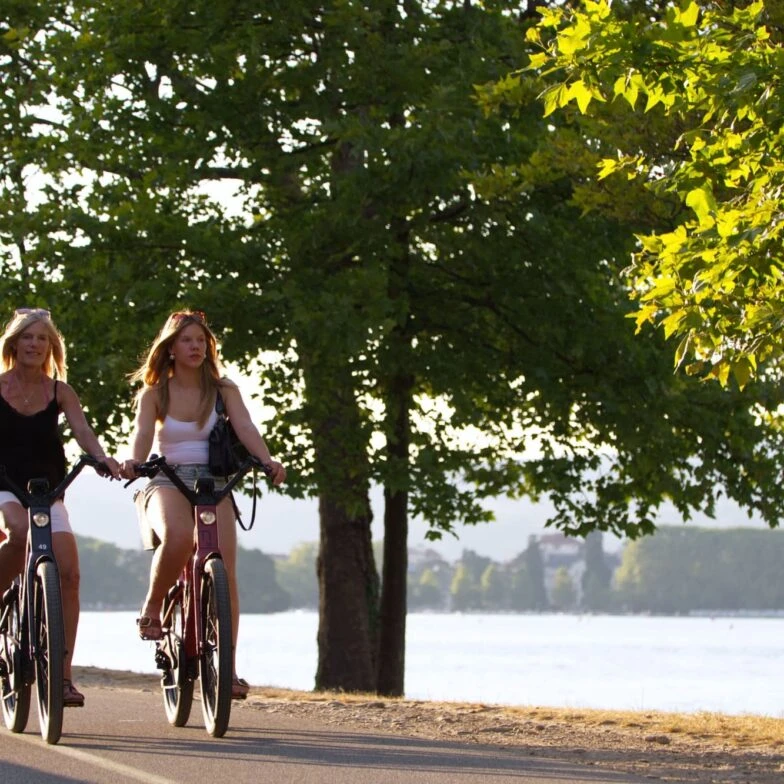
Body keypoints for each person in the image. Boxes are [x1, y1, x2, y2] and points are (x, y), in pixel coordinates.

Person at [119, 310, 286, 700]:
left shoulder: (223, 388)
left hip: (215, 482)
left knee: (224, 568)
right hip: (168, 478)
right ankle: (154, 604)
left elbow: (245, 427)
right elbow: (143, 435)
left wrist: (267, 460)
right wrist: (133, 462)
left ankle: (227, 668)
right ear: (171, 348)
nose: (195, 347)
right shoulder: (155, 392)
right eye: (187, 341)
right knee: (178, 537)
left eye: (201, 340)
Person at [0, 307, 121, 708]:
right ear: (13, 344)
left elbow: (83, 431)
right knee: (18, 535)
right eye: (27, 337)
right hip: (5, 485)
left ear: (51, 346)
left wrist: (102, 458)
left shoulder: (60, 391)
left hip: (48, 490)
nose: (34, 344)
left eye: (42, 338)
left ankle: (63, 677)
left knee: (68, 574)